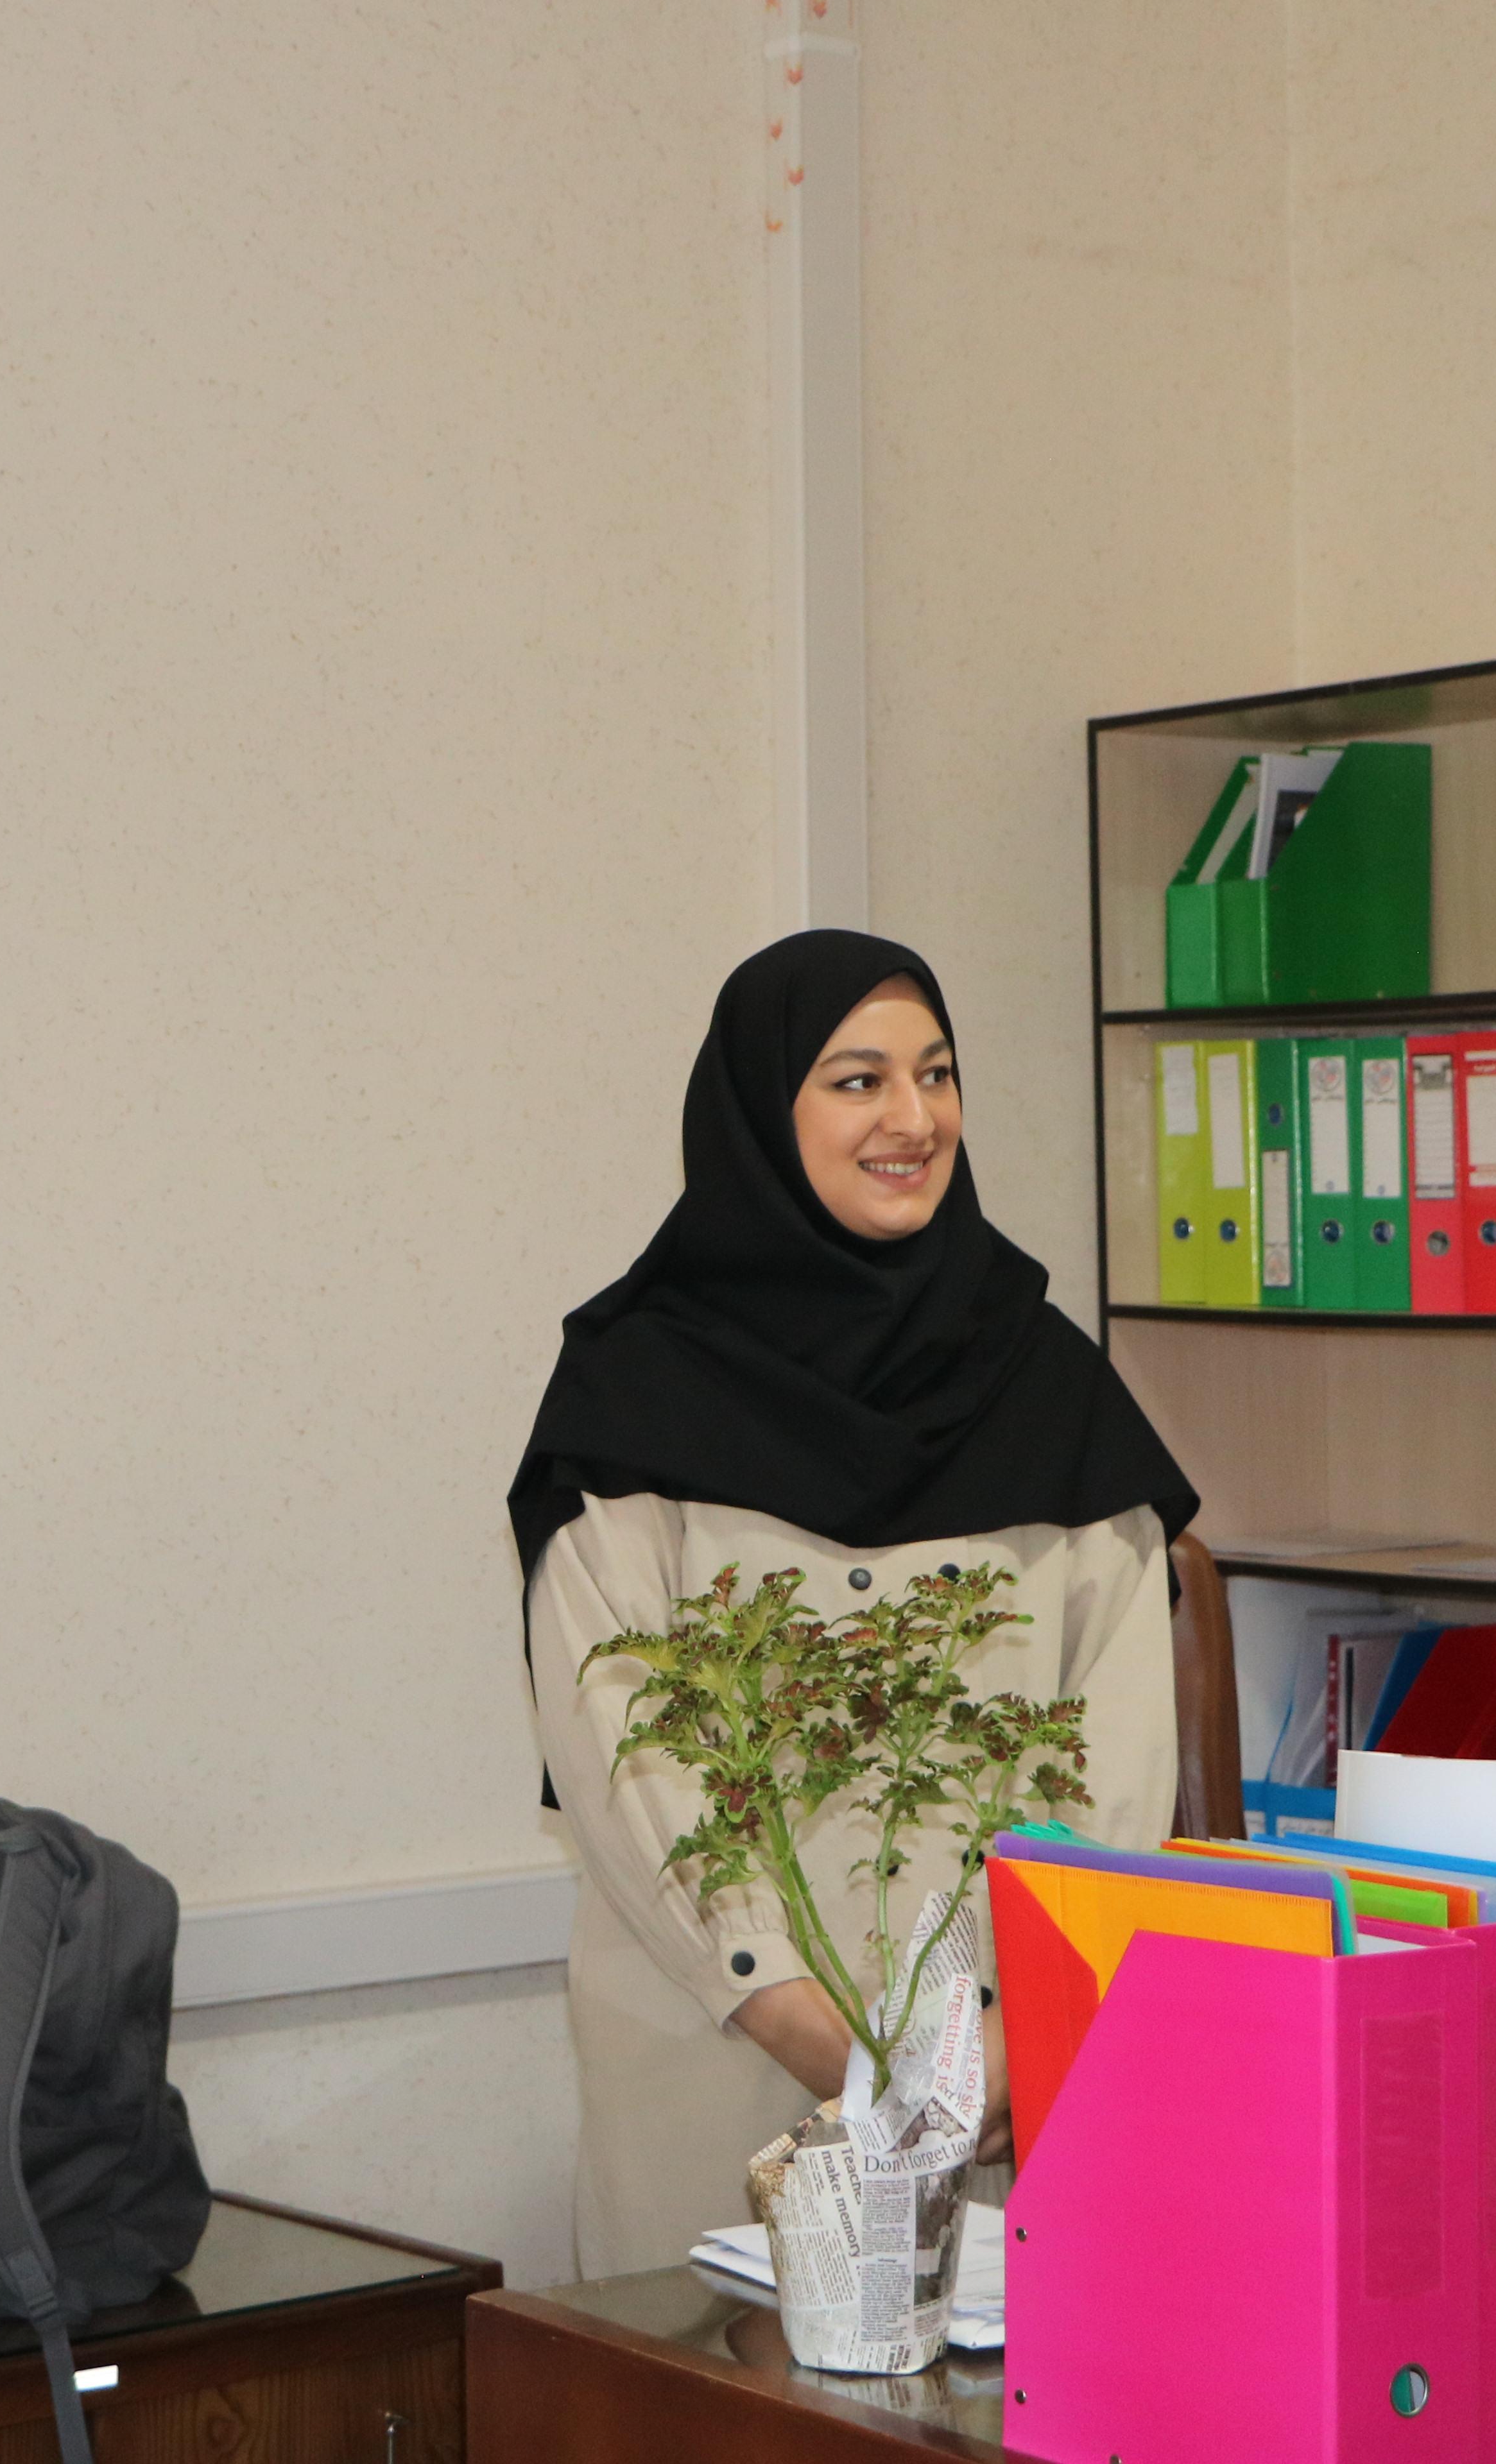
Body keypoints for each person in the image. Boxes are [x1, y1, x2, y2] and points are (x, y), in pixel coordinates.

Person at [511, 932, 1199, 2278]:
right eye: (858, 1079)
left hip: (1006, 2077)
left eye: (936, 1074)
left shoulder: (1049, 1386)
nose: (913, 1118)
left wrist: (1006, 2040)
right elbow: (621, 1749)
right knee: (706, 2382)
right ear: (763, 1112)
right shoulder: (632, 1390)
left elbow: (1121, 1752)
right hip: (717, 2060)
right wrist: (811, 2027)